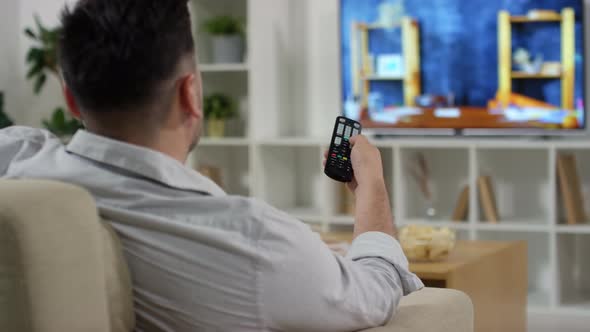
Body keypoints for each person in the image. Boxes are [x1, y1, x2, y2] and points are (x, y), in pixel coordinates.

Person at [0, 0, 423, 330]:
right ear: (191, 94)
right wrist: (371, 183)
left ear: (70, 98)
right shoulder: (252, 240)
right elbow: (379, 289)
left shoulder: (17, 160)